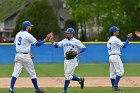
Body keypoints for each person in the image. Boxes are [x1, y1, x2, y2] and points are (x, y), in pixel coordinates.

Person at [9, 21, 49, 93]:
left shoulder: (18, 34)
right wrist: (45, 39)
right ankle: (37, 90)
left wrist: (27, 51)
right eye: (30, 26)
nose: (31, 27)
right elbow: (38, 44)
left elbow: (15, 44)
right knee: (32, 73)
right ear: (27, 27)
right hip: (25, 56)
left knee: (15, 73)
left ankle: (11, 89)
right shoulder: (28, 35)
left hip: (18, 55)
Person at [48, 28, 86, 93]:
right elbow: (56, 45)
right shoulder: (64, 41)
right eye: (67, 33)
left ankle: (64, 90)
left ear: (72, 34)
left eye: (68, 33)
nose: (67, 34)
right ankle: (80, 80)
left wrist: (77, 52)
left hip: (73, 60)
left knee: (68, 76)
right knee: (68, 75)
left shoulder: (76, 41)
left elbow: (84, 48)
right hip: (66, 60)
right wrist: (51, 39)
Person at [107, 26, 132, 91]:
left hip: (110, 57)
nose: (118, 31)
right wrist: (128, 38)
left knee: (112, 74)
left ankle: (113, 86)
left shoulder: (109, 40)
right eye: (117, 30)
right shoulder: (115, 39)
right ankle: (115, 86)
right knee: (120, 72)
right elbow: (124, 46)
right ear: (114, 32)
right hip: (115, 56)